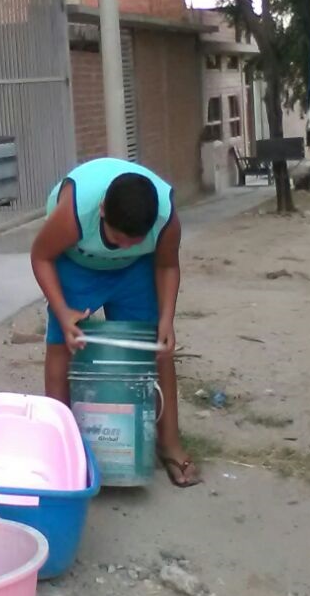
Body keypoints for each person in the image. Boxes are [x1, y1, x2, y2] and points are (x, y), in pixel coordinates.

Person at [30, 157, 201, 487]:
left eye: (134, 240)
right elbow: (41, 256)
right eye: (118, 238)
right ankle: (61, 449)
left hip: (134, 271)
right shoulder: (75, 212)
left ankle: (169, 444)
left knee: (155, 348)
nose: (122, 246)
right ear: (104, 211)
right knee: (62, 348)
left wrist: (167, 320)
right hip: (77, 262)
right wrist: (63, 312)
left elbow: (166, 266)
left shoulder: (165, 219)